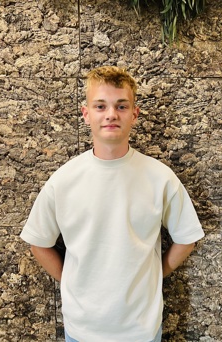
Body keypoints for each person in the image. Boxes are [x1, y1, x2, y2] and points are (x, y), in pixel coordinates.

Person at [20, 66, 205, 342]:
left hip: (141, 329)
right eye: (100, 106)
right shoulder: (64, 180)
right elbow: (38, 242)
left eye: (121, 106)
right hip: (82, 330)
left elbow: (186, 238)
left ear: (134, 114)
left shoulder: (160, 177)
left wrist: (155, 273)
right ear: (86, 114)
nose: (110, 114)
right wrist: (71, 280)